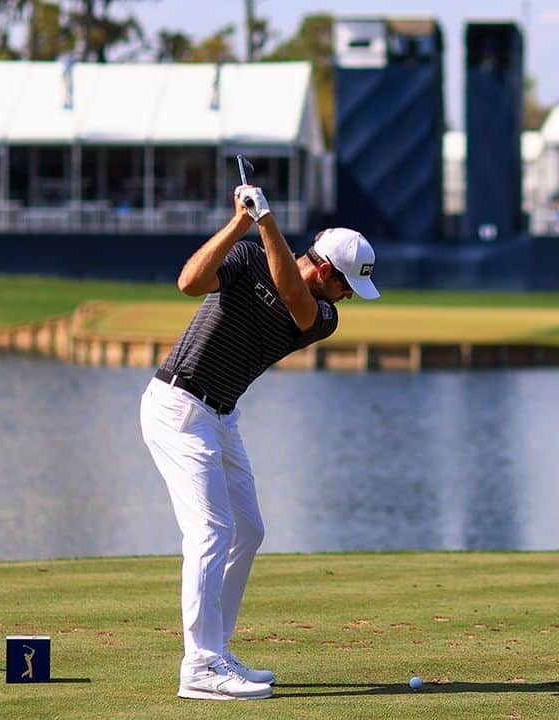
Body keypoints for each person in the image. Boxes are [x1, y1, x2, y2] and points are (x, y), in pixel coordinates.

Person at [139, 185, 380, 700]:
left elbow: (294, 298)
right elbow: (189, 282)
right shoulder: (248, 253)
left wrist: (267, 220)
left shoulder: (321, 316)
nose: (347, 300)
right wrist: (241, 223)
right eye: (347, 288)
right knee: (211, 530)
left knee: (247, 529)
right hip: (179, 405)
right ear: (327, 271)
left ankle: (216, 651)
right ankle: (199, 668)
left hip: (219, 415)